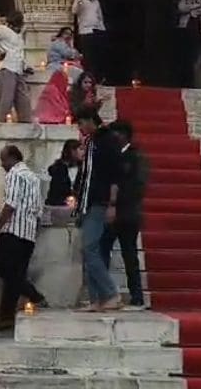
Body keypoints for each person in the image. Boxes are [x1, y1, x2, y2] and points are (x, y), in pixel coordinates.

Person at [0, 145, 46, 330]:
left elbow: (11, 204)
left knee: (3, 267)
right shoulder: (33, 177)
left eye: (3, 159)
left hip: (13, 230)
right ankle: (6, 318)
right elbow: (39, 210)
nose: (2, 164)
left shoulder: (14, 174)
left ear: (13, 158)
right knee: (15, 276)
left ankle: (34, 295)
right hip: (28, 234)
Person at [75, 111, 122, 312]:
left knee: (90, 248)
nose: (80, 128)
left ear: (90, 121)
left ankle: (111, 293)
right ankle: (96, 299)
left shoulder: (107, 141)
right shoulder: (91, 142)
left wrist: (112, 203)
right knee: (89, 251)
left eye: (82, 123)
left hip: (100, 201)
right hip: (87, 201)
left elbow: (115, 174)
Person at [100, 120, 149, 309]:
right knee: (103, 250)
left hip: (128, 212)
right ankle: (104, 291)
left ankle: (136, 295)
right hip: (112, 212)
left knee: (130, 255)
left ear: (124, 135)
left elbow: (138, 184)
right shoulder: (112, 155)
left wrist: (116, 200)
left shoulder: (135, 156)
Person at [0, 11, 33, 123]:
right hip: (7, 68)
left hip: (19, 70)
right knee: (6, 99)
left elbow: (19, 53)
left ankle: (25, 123)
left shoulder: (19, 35)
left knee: (23, 100)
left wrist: (26, 66)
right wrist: (0, 51)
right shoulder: (2, 29)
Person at [34, 28, 83, 123]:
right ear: (61, 34)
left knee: (78, 70)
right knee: (78, 72)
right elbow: (70, 54)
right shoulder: (58, 43)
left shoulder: (66, 44)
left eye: (70, 35)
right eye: (66, 34)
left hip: (62, 64)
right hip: (55, 66)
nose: (68, 36)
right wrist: (76, 54)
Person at [72, 0, 107, 82]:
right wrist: (79, 2)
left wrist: (102, 30)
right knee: (88, 57)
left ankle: (97, 78)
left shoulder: (96, 1)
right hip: (86, 31)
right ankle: (87, 79)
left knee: (97, 56)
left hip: (97, 30)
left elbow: (100, 17)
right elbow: (74, 11)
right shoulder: (80, 0)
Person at [46, 140, 83, 207]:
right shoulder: (59, 169)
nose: (83, 152)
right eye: (80, 149)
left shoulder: (82, 169)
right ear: (72, 151)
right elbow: (56, 192)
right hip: (60, 205)